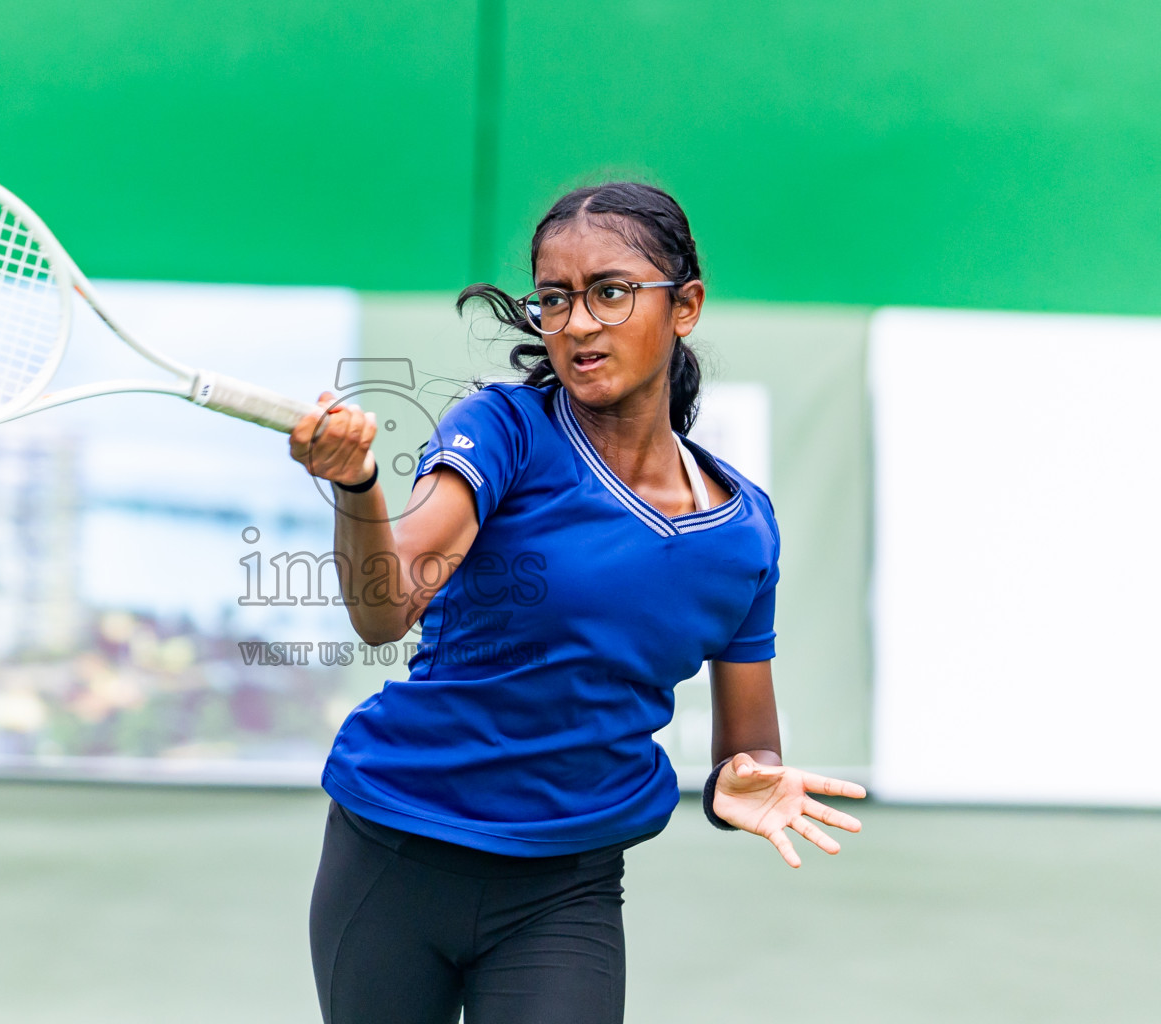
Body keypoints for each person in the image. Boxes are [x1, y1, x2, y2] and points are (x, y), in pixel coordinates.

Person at [288, 182, 865, 1024]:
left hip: (566, 890)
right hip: (393, 850)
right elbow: (385, 608)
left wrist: (739, 787)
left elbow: (748, 752)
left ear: (686, 306)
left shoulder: (744, 534)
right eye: (554, 300)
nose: (579, 324)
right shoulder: (505, 429)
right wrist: (358, 484)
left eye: (611, 292)